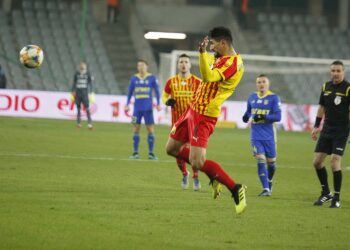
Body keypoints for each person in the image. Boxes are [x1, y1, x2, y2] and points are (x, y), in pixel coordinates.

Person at [165, 27, 247, 215]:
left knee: (197, 163)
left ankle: (236, 189)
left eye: (214, 44)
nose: (212, 47)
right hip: (192, 109)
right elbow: (207, 69)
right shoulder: (219, 57)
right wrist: (204, 54)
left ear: (223, 43)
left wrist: (202, 53)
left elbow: (208, 76)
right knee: (171, 149)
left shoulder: (233, 64)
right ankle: (214, 176)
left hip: (205, 115)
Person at [311, 60, 350, 209]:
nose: (335, 73)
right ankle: (326, 193)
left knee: (334, 161)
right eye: (333, 70)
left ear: (343, 72)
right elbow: (322, 107)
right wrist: (316, 126)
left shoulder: (348, 88)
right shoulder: (325, 87)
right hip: (327, 130)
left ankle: (337, 197)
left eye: (338, 71)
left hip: (341, 130)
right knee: (317, 162)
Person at [162, 53, 202, 191]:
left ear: (190, 65)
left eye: (186, 62)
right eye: (181, 62)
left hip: (193, 123)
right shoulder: (171, 82)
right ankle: (185, 173)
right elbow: (164, 96)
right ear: (178, 65)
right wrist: (167, 102)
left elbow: (203, 100)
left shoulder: (197, 82)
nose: (183, 64)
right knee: (177, 152)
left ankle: (195, 176)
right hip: (177, 124)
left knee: (193, 152)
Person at [242, 74, 281, 196]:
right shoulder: (252, 97)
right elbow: (249, 111)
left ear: (268, 84)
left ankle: (269, 181)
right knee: (260, 160)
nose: (261, 84)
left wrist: (262, 117)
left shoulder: (274, 98)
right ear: (256, 84)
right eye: (259, 82)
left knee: (272, 164)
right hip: (256, 136)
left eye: (263, 82)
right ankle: (266, 189)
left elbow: (278, 117)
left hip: (269, 136)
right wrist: (245, 116)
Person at [125, 59, 161, 160]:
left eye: (142, 65)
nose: (141, 67)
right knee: (135, 129)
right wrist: (127, 104)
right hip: (136, 109)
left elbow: (157, 92)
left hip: (148, 109)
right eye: (139, 66)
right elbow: (129, 92)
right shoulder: (133, 78)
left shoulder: (152, 78)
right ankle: (135, 153)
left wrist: (158, 104)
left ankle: (151, 153)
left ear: (147, 66)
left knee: (150, 130)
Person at [71, 62, 94, 129]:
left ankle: (89, 123)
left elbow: (90, 83)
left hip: (85, 93)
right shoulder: (77, 74)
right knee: (78, 108)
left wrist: (91, 92)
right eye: (81, 66)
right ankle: (79, 123)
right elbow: (74, 83)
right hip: (78, 93)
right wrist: (73, 91)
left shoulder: (88, 74)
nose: (82, 67)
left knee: (87, 108)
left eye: (83, 66)